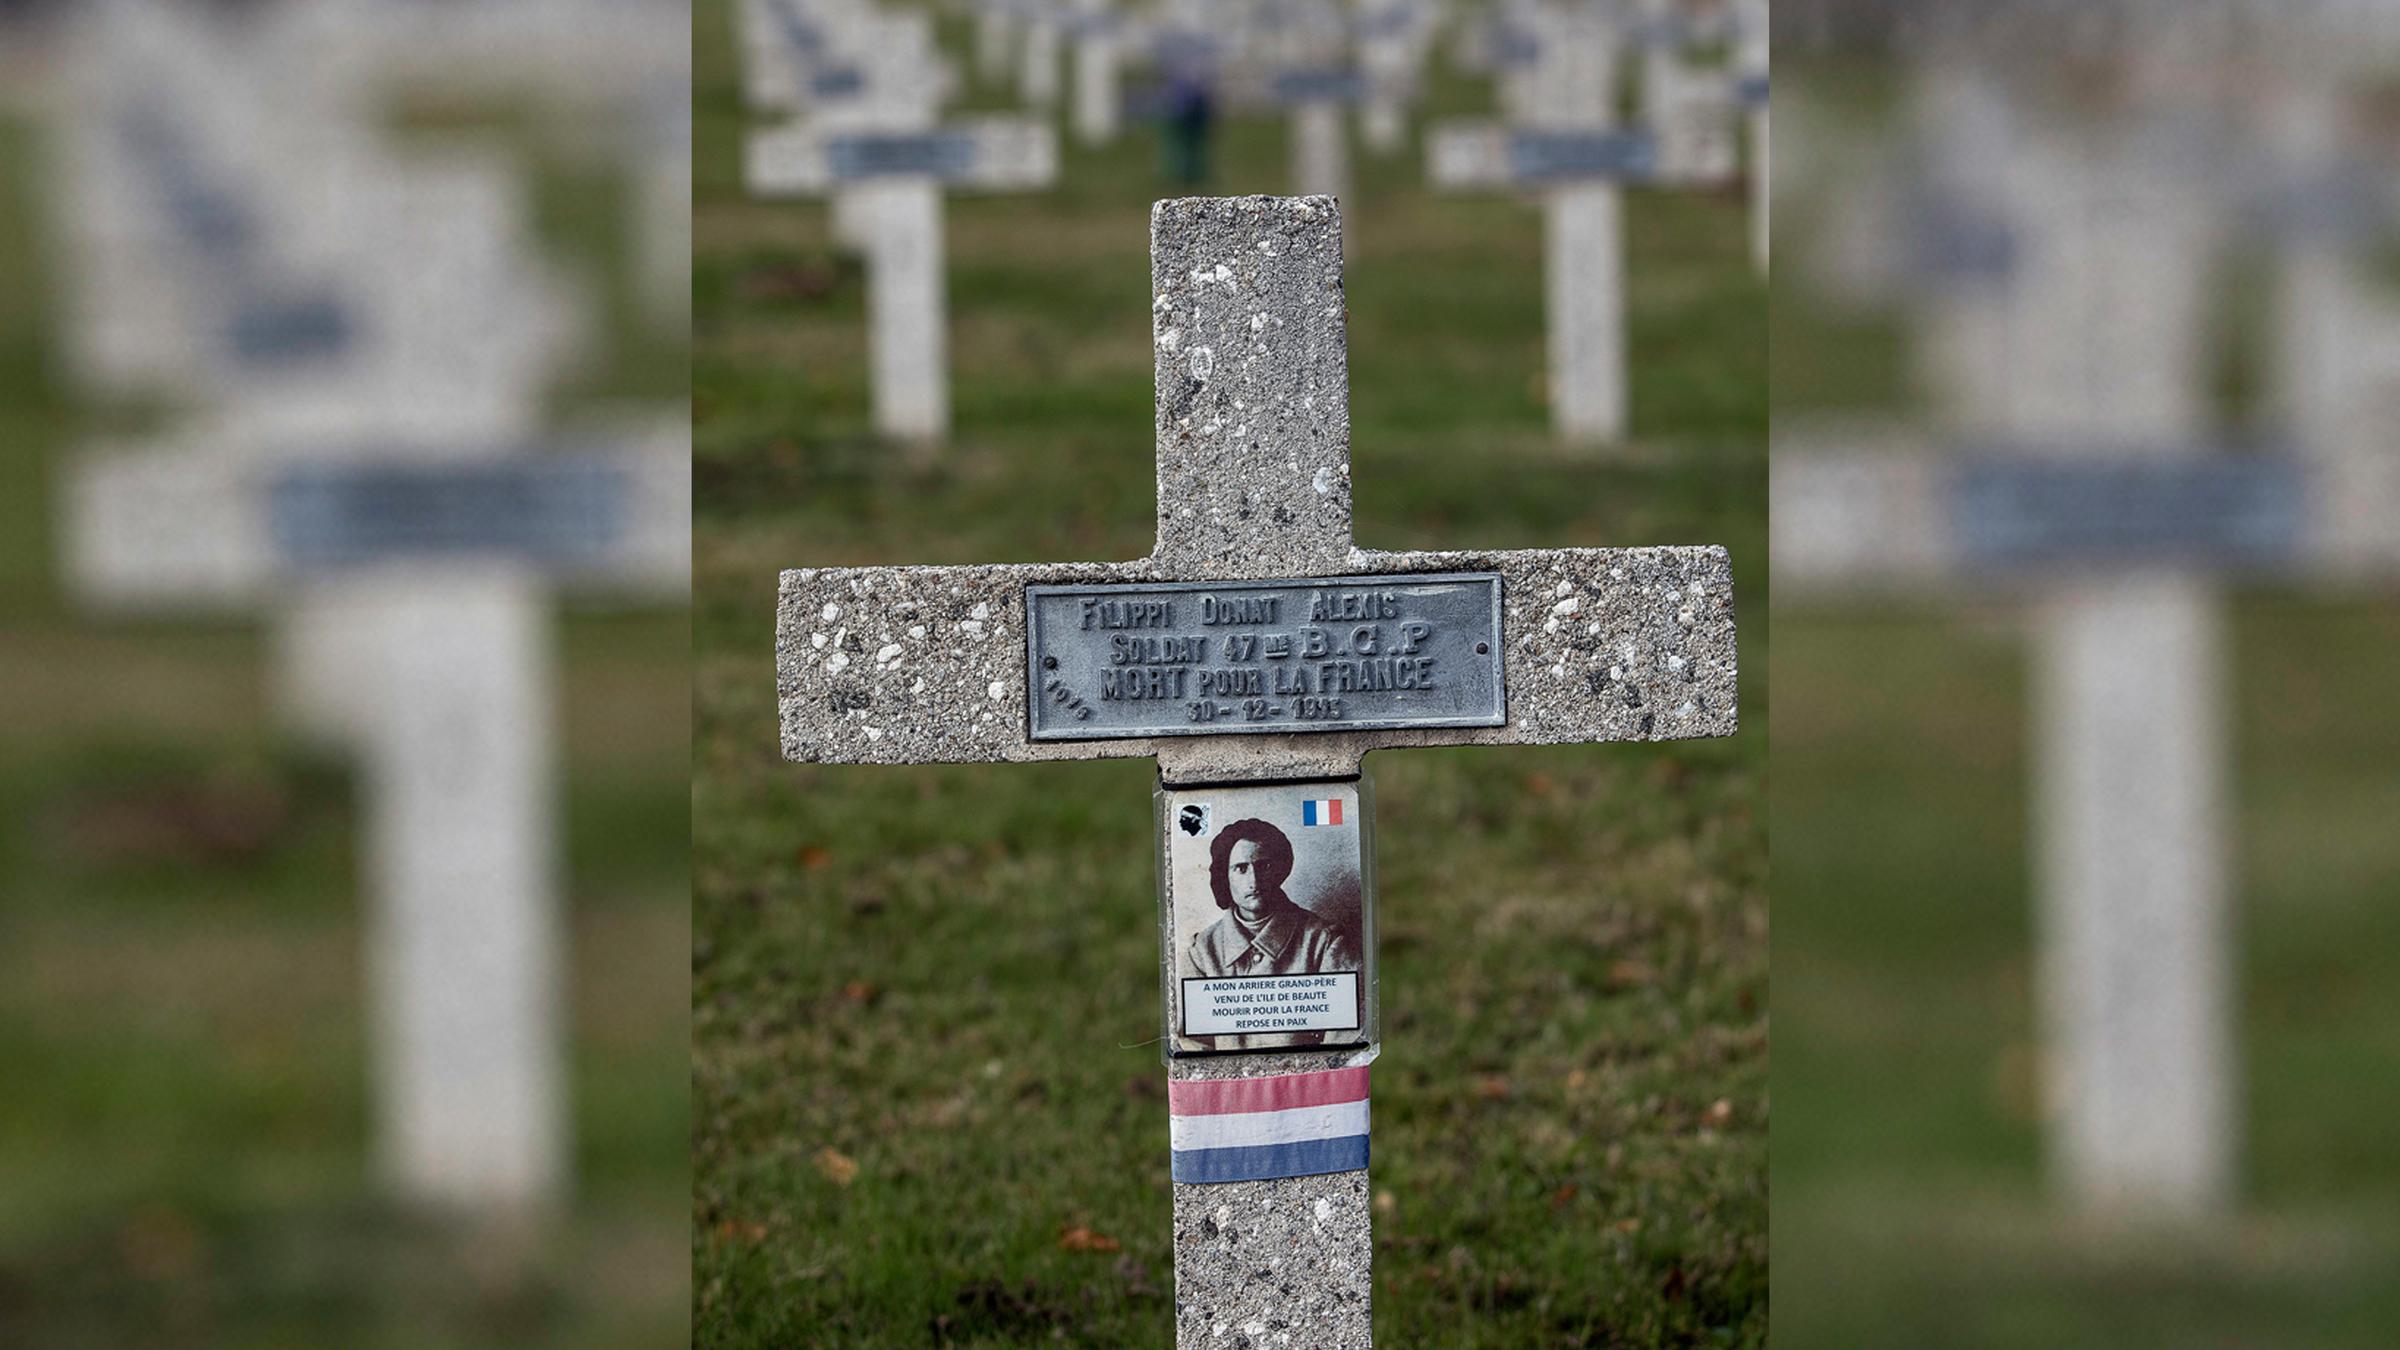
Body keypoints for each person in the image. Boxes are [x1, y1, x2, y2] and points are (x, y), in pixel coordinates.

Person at [1181, 819, 1360, 1048]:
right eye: (1241, 868)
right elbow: (1191, 1044)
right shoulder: (1202, 953)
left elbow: (1343, 1040)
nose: (1253, 881)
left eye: (1263, 866)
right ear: (1225, 876)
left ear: (1279, 870)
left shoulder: (1325, 943)